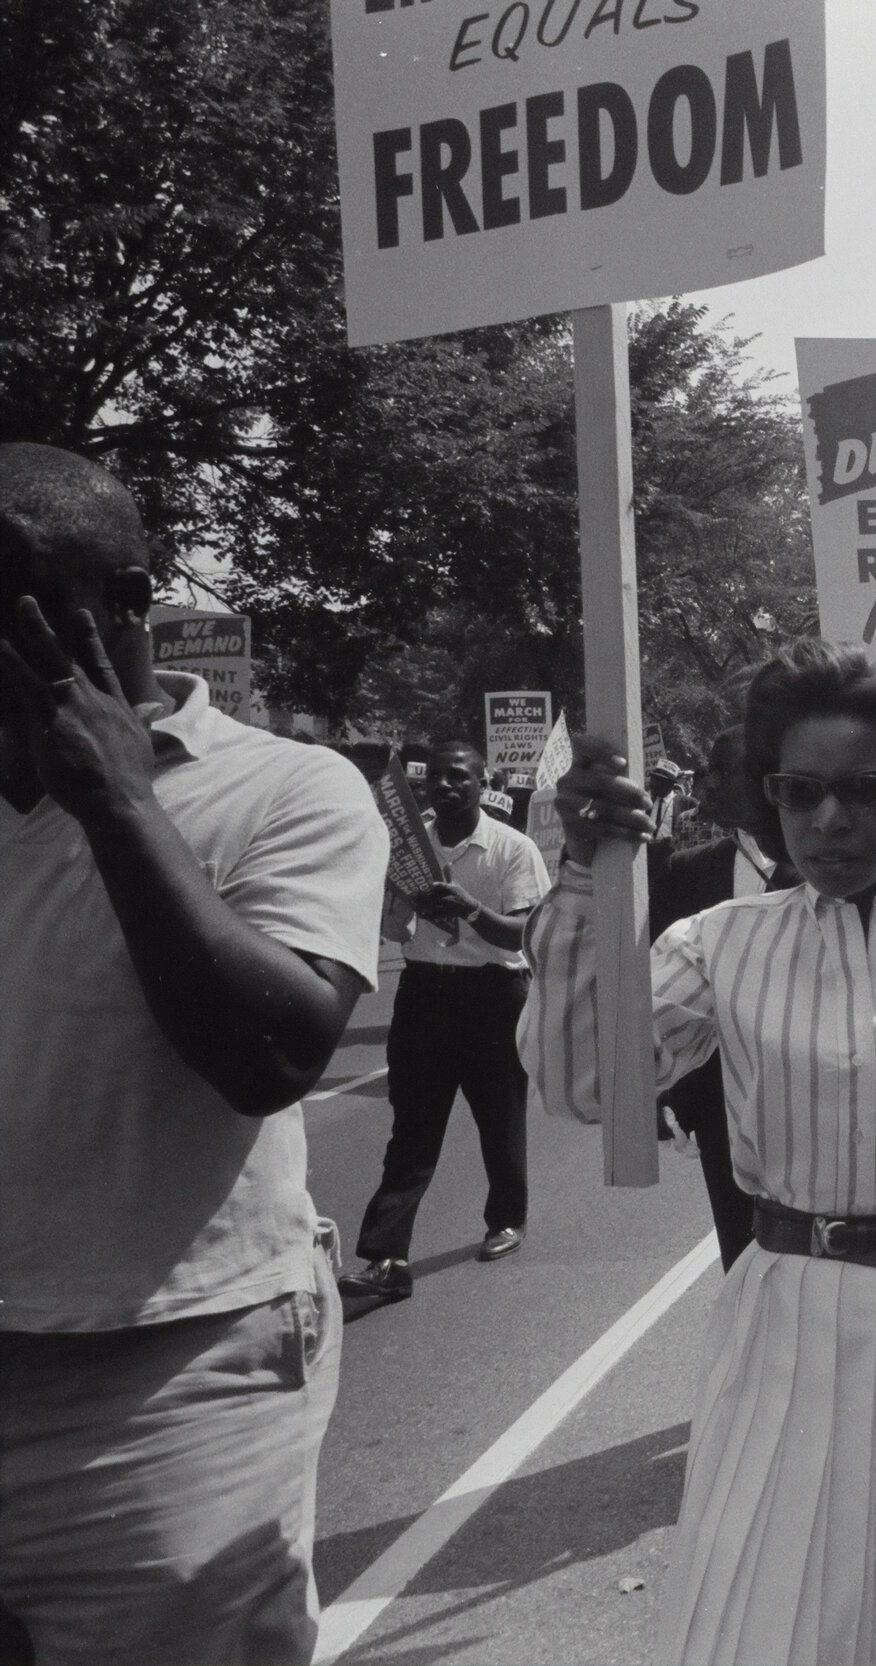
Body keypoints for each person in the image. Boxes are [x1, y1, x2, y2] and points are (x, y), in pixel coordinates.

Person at [525, 640, 876, 1665]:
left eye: (866, 789)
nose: (828, 819)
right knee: (763, 1603)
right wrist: (579, 883)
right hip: (785, 1312)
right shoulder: (718, 942)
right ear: (767, 795)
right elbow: (584, 1084)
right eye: (799, 790)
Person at [0, 444, 387, 1662]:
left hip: (168, 1383)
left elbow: (270, 1054)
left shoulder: (289, 789)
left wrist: (118, 801)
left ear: (120, 603)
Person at [338, 737, 548, 1302]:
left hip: (493, 997)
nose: (447, 786)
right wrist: (404, 904)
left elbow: (525, 934)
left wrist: (470, 910)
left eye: (459, 776)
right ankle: (386, 1258)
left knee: (499, 1119)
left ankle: (507, 1219)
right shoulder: (406, 849)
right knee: (412, 1128)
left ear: (482, 782)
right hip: (424, 995)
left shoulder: (513, 848)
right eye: (436, 777)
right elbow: (392, 931)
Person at [649, 725, 785, 1271]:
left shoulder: (834, 871)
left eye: (721, 771)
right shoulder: (687, 871)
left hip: (813, 1099)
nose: (705, 785)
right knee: (743, 1258)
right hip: (722, 1107)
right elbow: (660, 996)